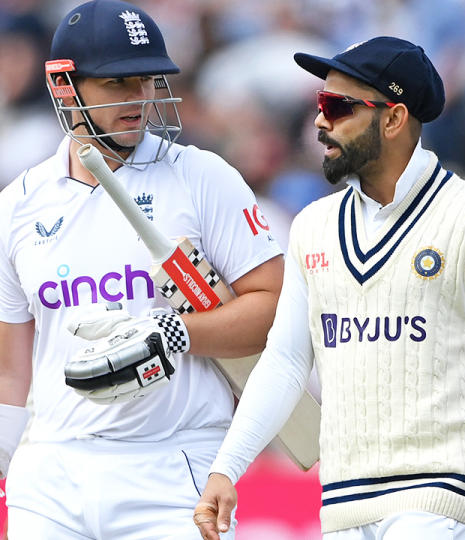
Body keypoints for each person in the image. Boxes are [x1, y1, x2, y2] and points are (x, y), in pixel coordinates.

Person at [0, 1, 283, 539]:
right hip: (52, 470)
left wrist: (173, 333)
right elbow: (10, 370)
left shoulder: (202, 177)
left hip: (175, 467)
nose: (140, 99)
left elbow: (275, 309)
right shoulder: (18, 205)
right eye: (116, 83)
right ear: (63, 86)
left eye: (149, 80)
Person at [192, 37, 465, 540]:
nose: (320, 122)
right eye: (318, 104)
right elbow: (284, 362)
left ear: (392, 119)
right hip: (342, 504)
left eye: (336, 106)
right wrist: (226, 469)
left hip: (439, 501)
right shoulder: (313, 227)